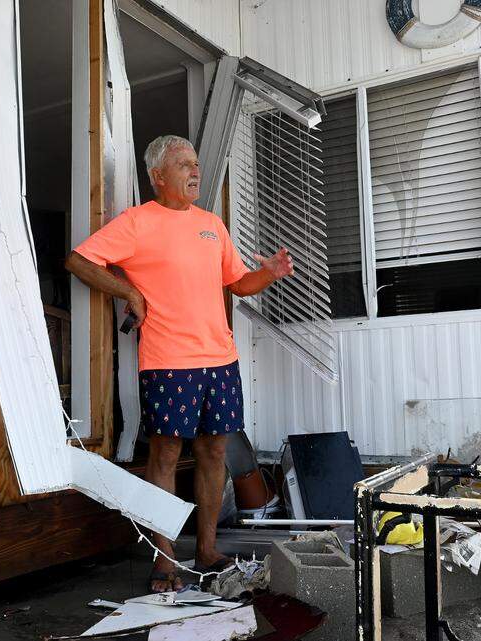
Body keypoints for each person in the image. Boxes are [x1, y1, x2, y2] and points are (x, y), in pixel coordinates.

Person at [65, 134, 293, 593]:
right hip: (168, 362)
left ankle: (207, 549)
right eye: (184, 164)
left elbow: (238, 285)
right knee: (166, 455)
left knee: (213, 452)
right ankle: (165, 559)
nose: (195, 171)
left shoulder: (212, 224)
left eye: (196, 163)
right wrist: (128, 291)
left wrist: (267, 274)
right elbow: (78, 260)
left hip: (220, 360)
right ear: (158, 177)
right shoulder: (137, 222)